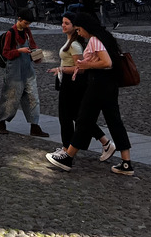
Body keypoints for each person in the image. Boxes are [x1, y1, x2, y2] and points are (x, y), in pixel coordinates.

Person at [45, 11, 134, 175]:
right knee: (114, 121)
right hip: (110, 85)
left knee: (84, 119)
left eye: (79, 29)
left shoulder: (94, 40)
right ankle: (126, 162)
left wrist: (87, 66)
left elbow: (106, 62)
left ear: (85, 27)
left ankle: (68, 157)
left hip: (98, 84)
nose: (79, 33)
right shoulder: (106, 37)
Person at [47, 10, 114, 160]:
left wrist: (62, 69)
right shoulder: (71, 41)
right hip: (69, 80)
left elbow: (81, 68)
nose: (63, 26)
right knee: (77, 115)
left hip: (73, 82)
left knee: (68, 116)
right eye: (62, 22)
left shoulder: (76, 45)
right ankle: (105, 142)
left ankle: (67, 148)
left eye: (67, 23)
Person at [0, 10, 49, 138]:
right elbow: (6, 53)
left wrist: (37, 56)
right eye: (26, 23)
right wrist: (19, 50)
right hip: (14, 70)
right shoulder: (10, 33)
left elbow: (33, 45)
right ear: (19, 19)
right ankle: (1, 122)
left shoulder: (27, 31)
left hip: (27, 68)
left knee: (33, 97)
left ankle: (35, 126)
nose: (28, 25)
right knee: (11, 97)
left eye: (29, 23)